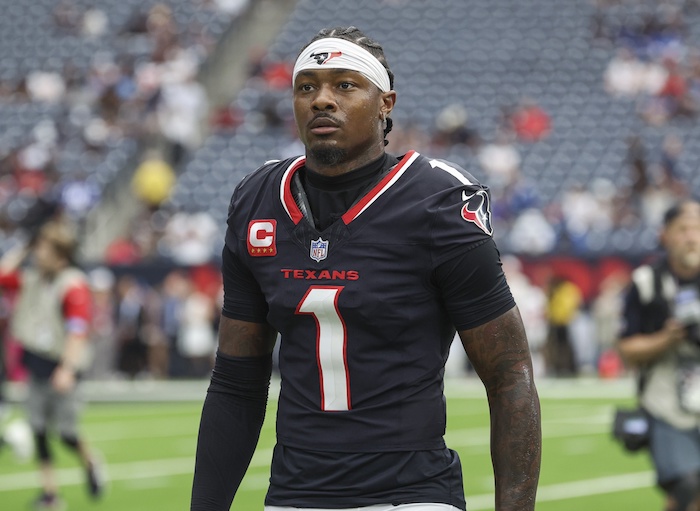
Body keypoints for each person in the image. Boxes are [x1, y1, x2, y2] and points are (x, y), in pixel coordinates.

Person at [191, 26, 541, 511]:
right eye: (307, 86)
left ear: (385, 103)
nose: (322, 100)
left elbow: (509, 375)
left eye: (345, 85)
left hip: (410, 494)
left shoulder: (436, 201)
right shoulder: (257, 200)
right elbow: (236, 380)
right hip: (293, 495)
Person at [0, 220, 104, 510]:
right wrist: (26, 245)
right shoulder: (33, 277)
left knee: (67, 434)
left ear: (60, 255)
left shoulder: (72, 285)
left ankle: (90, 461)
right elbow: (2, 274)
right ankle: (50, 494)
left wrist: (68, 368)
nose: (38, 254)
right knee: (38, 430)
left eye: (44, 249)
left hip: (62, 365)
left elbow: (78, 330)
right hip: (36, 362)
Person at [618, 200, 700, 511]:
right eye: (683, 229)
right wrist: (666, 338)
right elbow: (626, 348)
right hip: (665, 401)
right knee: (685, 486)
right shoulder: (646, 282)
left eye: (697, 228)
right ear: (664, 234)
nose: (692, 236)